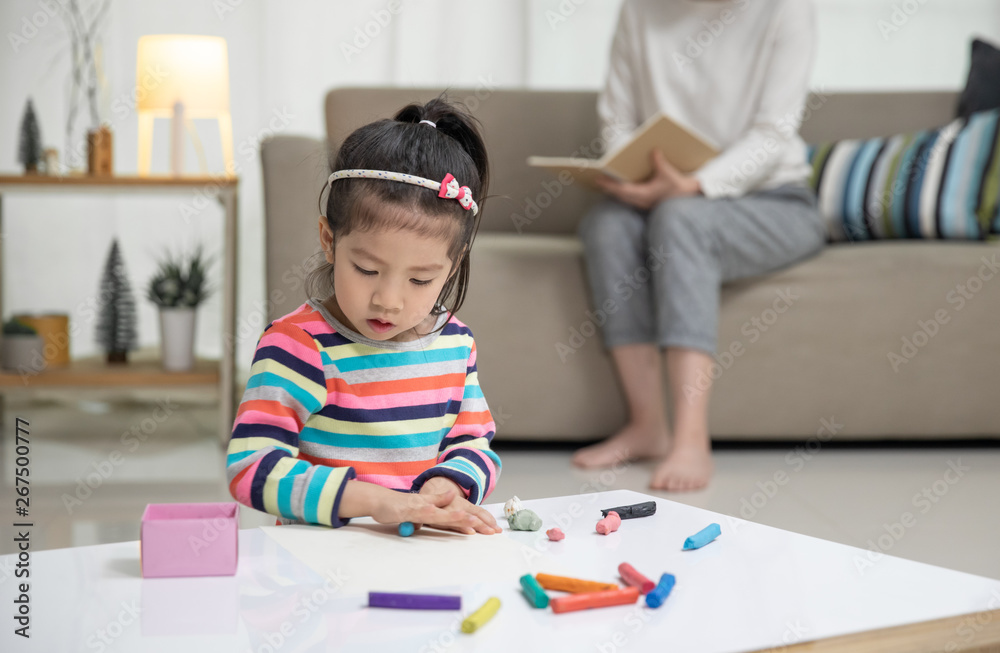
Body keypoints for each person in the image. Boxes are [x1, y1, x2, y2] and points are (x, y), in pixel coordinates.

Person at [572, 0, 826, 491]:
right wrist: (636, 174)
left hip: (775, 202)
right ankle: (646, 425)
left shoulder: (786, 10)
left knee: (681, 218)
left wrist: (691, 186)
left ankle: (691, 440)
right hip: (664, 194)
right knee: (606, 224)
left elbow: (773, 133)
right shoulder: (639, 11)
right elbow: (618, 120)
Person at [227, 98, 502, 534]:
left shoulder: (455, 344)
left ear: (454, 264)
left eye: (420, 280)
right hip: (319, 565)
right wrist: (376, 501)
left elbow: (474, 444)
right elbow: (252, 467)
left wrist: (448, 485)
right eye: (367, 270)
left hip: (417, 552)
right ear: (329, 240)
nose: (389, 300)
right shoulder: (299, 346)